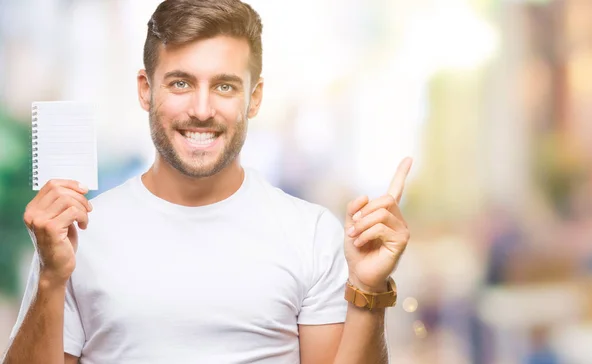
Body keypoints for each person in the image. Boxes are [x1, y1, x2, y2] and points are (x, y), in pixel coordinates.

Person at [2, 0, 412, 363]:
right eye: (181, 83)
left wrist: (367, 291)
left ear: (254, 98)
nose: (201, 109)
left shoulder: (311, 234)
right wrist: (51, 278)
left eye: (224, 86)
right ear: (146, 90)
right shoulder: (78, 234)